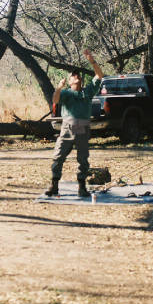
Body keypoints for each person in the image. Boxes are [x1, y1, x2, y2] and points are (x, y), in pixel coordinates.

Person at [45, 49, 104, 197]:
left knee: (83, 158)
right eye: (73, 75)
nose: (76, 76)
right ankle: (54, 185)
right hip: (67, 128)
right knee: (58, 156)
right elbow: (55, 100)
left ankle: (82, 186)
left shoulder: (88, 91)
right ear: (69, 81)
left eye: (78, 75)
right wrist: (59, 86)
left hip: (83, 127)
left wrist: (92, 61)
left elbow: (99, 76)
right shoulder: (65, 93)